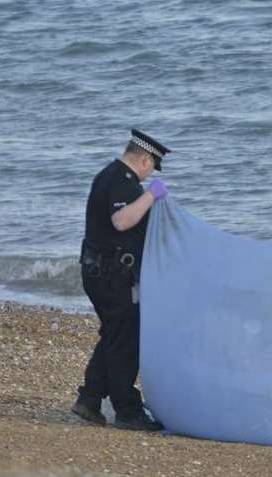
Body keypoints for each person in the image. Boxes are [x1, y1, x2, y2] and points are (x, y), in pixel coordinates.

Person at [71, 129, 171, 431]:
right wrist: (151, 195)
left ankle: (89, 400)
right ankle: (128, 411)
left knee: (115, 334)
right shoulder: (121, 181)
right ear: (143, 159)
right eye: (152, 166)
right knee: (126, 339)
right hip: (111, 276)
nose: (150, 173)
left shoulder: (109, 176)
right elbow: (121, 220)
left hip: (101, 273)